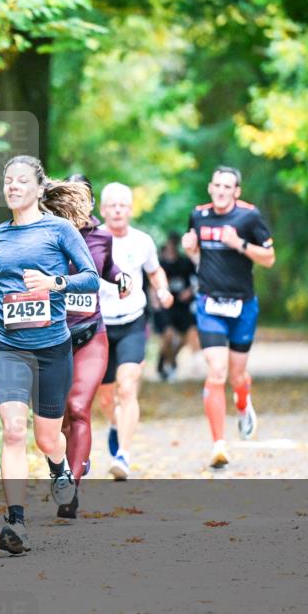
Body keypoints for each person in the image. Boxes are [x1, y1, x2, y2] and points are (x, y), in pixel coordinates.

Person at [0, 155, 100, 554]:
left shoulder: (59, 230)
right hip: (9, 345)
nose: (12, 186)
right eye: (7, 181)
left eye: (21, 181)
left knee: (47, 439)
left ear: (39, 189)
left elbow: (91, 278)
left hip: (51, 347)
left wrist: (53, 281)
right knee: (12, 430)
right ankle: (15, 523)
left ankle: (60, 470)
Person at [42, 174, 129, 518]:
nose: (79, 206)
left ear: (91, 204)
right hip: (50, 336)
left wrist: (122, 277)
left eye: (85, 200)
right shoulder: (43, 234)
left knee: (79, 408)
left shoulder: (101, 237)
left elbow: (107, 267)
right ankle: (63, 469)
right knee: (57, 417)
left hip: (91, 333)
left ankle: (71, 486)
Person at [182, 166, 276, 468]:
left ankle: (242, 400)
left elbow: (270, 258)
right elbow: (198, 256)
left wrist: (241, 245)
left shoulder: (249, 217)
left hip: (243, 306)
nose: (222, 191)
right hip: (210, 304)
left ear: (236, 191)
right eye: (217, 186)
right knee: (217, 371)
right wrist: (190, 249)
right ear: (211, 188)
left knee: (237, 375)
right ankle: (218, 445)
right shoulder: (198, 215)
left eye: (228, 187)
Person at [95, 182, 174, 481]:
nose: (117, 210)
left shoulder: (143, 241)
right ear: (102, 210)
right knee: (104, 398)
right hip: (100, 326)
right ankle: (116, 425)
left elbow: (154, 271)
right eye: (111, 205)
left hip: (132, 322)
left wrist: (163, 289)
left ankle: (123, 455)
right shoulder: (91, 240)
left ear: (130, 210)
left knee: (127, 386)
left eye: (122, 205)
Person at [154, 232, 198, 381]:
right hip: (165, 306)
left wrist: (189, 292)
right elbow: (151, 284)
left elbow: (197, 280)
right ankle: (166, 361)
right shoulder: (158, 264)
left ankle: (170, 360)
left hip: (182, 306)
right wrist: (155, 301)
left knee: (186, 336)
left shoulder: (185, 263)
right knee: (168, 335)